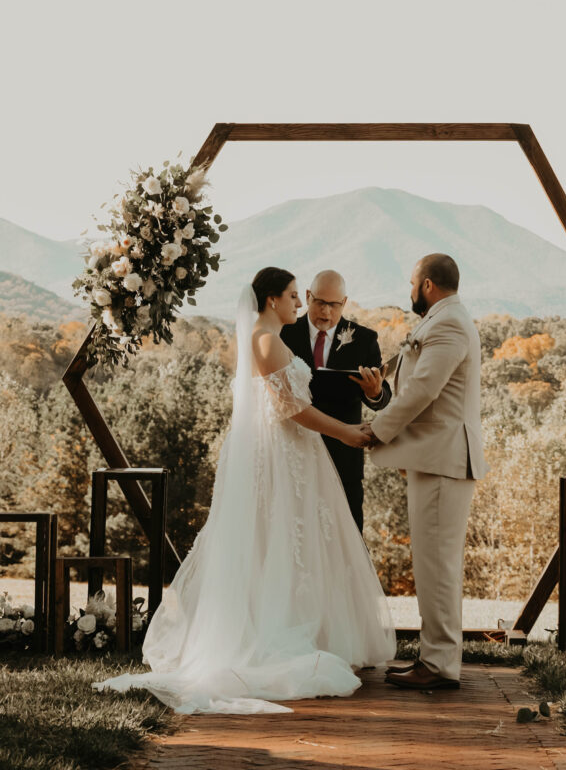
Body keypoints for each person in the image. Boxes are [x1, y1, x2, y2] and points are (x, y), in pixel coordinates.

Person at [93, 267, 396, 714]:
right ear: (273, 299)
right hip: (280, 454)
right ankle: (279, 634)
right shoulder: (267, 341)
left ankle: (306, 628)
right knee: (278, 541)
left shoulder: (266, 336)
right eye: (295, 296)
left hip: (289, 453)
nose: (301, 304)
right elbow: (292, 408)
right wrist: (348, 433)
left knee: (290, 543)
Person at [370, 254, 488, 691]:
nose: (410, 289)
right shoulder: (442, 319)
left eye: (412, 282)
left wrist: (378, 430)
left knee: (437, 564)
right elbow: (410, 379)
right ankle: (435, 657)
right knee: (433, 562)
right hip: (435, 457)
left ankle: (438, 664)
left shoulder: (449, 323)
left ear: (428, 286)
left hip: (444, 459)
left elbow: (424, 389)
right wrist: (378, 388)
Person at [281, 270, 391, 532]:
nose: (326, 312)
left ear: (344, 302)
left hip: (344, 460)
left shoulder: (365, 339)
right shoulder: (284, 333)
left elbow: (383, 398)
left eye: (334, 305)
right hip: (294, 454)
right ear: (308, 297)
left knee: (347, 541)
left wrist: (374, 392)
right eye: (320, 302)